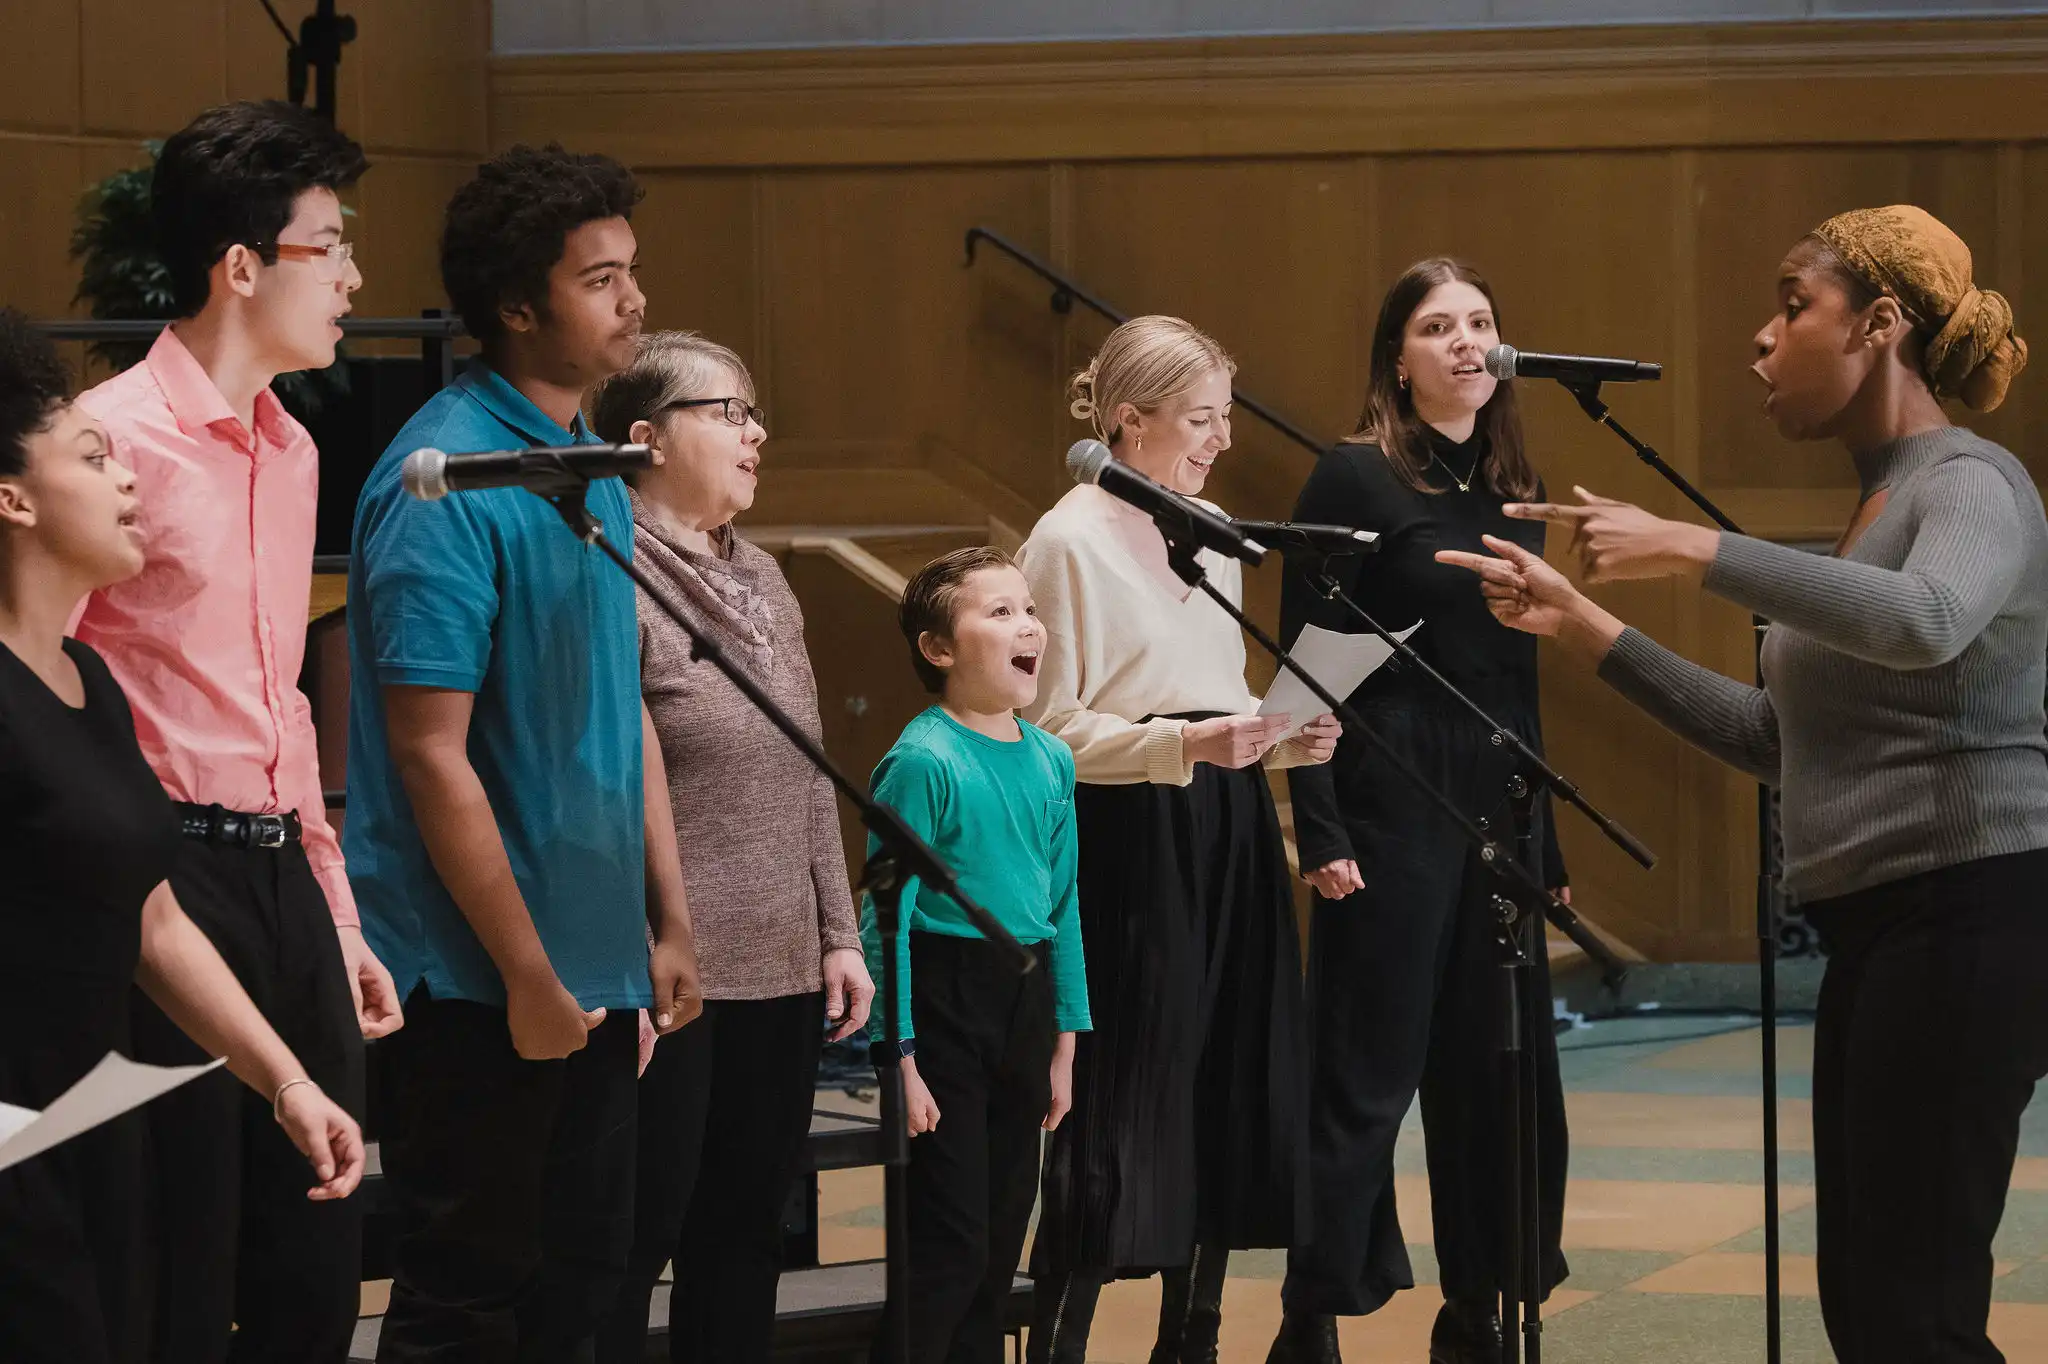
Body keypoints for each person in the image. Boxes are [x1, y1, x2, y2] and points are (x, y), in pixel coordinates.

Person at [1440, 204, 2045, 1364]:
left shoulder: (1969, 483)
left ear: (1878, 323)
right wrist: (1581, 626)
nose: (1761, 339)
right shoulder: (1870, 512)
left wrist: (1691, 547)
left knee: (1912, 1308)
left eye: (1790, 303)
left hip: (1969, 909)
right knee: (1867, 1299)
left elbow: (1925, 623)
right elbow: (1774, 735)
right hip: (1883, 927)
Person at [344, 144, 702, 1363]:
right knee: (467, 1293)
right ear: (515, 307)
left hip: (594, 959)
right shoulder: (442, 480)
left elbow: (625, 710)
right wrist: (532, 976)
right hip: (478, 976)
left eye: (631, 272)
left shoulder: (586, 466)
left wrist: (669, 917)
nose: (633, 302)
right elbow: (430, 758)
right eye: (601, 279)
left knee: (588, 1286)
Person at [67, 99, 396, 1364]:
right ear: (243, 265)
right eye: (332, 246)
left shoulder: (295, 445)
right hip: (158, 880)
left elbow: (284, 701)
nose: (357, 277)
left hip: (283, 874)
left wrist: (339, 909)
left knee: (317, 1256)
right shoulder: (105, 443)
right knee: (179, 1265)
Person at [0, 307, 365, 1364]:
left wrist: (286, 1079)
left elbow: (155, 923)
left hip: (94, 1122)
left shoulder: (94, 683)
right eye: (91, 456)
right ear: (12, 498)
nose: (126, 480)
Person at [1019, 316, 1341, 1364]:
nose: (1220, 440)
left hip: (1223, 817)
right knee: (1126, 1086)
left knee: (1234, 1064)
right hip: (1128, 828)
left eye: (1223, 416)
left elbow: (1216, 693)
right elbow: (1049, 729)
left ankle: (1189, 1333)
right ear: (1128, 419)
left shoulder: (1205, 527)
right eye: (1199, 418)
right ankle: (1065, 1334)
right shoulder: (1064, 538)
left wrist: (1280, 737)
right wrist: (1188, 744)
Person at [1267, 260, 1571, 1364]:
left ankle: (1479, 1302)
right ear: (1395, 357)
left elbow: (1516, 673)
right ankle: (1311, 1313)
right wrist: (1321, 825)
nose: (1462, 342)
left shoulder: (1511, 477)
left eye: (1480, 323)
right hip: (1388, 787)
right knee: (1366, 1063)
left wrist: (1550, 834)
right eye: (1435, 326)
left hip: (1497, 793)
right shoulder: (1351, 476)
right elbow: (1303, 664)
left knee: (1495, 1067)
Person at [588, 331, 875, 1364]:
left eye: (754, 414)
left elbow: (806, 769)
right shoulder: (605, 571)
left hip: (783, 963)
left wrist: (838, 932)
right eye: (727, 412)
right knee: (634, 1237)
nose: (754, 433)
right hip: (666, 971)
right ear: (645, 438)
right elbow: (605, 786)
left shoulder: (763, 575)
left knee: (746, 1231)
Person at [861, 546, 1091, 1364]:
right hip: (945, 998)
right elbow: (884, 916)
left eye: (1027, 608)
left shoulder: (1053, 758)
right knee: (948, 1248)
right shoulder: (924, 760)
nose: (1027, 624)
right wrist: (902, 1054)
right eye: (998, 612)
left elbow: (1061, 907)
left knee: (998, 1247)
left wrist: (1066, 1041)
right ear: (938, 648)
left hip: (1023, 1003)